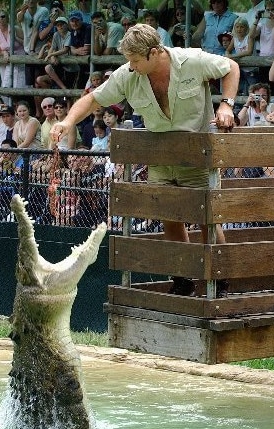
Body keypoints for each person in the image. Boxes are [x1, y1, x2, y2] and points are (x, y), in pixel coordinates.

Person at [51, 23, 239, 298]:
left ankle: (221, 283)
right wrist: (67, 122)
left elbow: (231, 68)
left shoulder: (192, 60)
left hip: (197, 155)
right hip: (160, 158)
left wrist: (227, 104)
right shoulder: (128, 74)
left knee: (207, 220)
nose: (131, 65)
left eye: (136, 60)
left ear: (154, 52)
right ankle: (183, 280)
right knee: (169, 219)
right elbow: (92, 100)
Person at [225, 17, 255, 95]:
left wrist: (233, 56)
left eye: (242, 27)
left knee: (253, 89)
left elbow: (249, 52)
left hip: (252, 69)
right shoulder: (234, 38)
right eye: (237, 27)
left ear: (246, 28)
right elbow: (228, 50)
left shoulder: (249, 37)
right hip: (241, 68)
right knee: (241, 89)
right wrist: (227, 55)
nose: (239, 29)